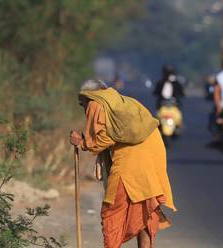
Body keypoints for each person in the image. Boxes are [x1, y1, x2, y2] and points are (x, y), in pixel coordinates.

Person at [70, 80, 176, 248]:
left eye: (82, 104)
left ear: (88, 95)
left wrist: (81, 143)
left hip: (132, 160)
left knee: (113, 210)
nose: (84, 108)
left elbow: (104, 137)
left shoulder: (96, 101)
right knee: (144, 208)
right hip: (154, 151)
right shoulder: (124, 102)